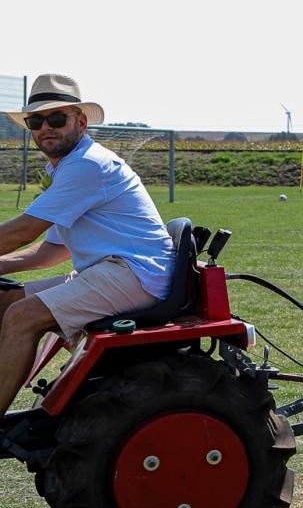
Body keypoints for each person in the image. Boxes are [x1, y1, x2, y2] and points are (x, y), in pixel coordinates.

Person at [0, 74, 175, 417]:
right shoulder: (68, 168)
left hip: (134, 273)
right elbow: (50, 251)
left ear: (80, 121)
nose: (45, 127)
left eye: (57, 118)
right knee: (5, 300)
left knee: (22, 316)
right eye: (36, 121)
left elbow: (24, 232)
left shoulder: (87, 165)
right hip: (113, 271)